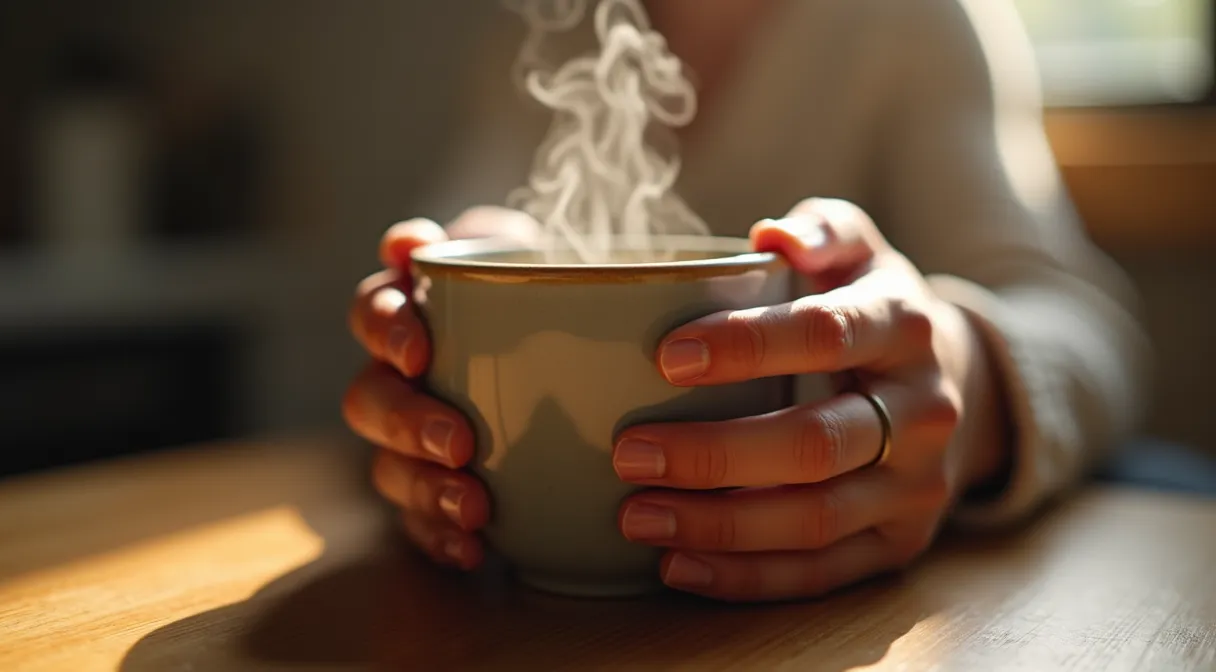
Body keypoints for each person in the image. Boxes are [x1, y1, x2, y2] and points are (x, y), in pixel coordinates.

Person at [343, 0, 1152, 602]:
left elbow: (1086, 322)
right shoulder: (552, 35)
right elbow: (438, 259)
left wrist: (966, 383)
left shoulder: (910, 21)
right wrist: (420, 347)